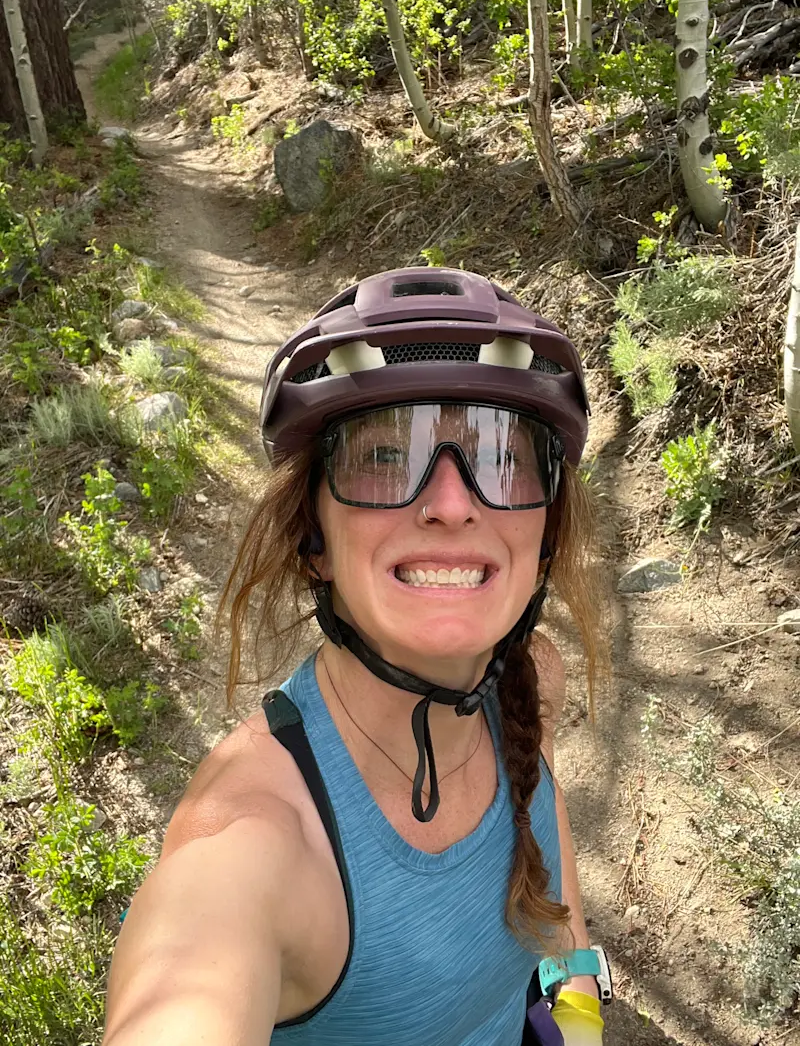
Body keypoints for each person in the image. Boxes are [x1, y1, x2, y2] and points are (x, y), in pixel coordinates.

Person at [102, 267, 612, 1046]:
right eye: (383, 456)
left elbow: (552, 879)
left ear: (545, 534)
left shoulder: (528, 674)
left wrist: (575, 1019)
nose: (450, 501)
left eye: (501, 452)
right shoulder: (255, 847)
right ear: (314, 540)